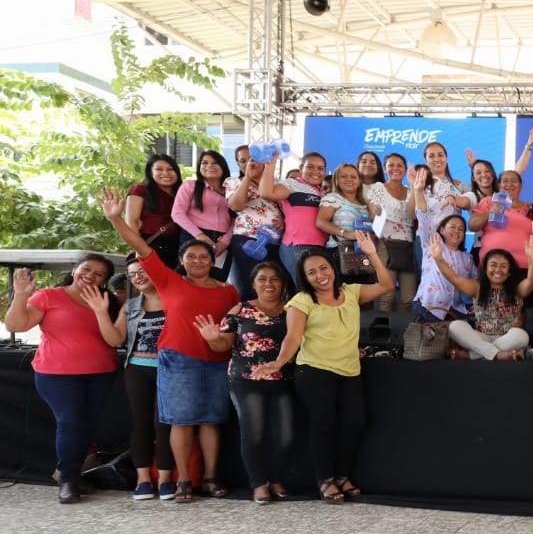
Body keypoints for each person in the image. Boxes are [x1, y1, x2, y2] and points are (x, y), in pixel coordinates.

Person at [103, 189, 241, 504]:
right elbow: (137, 244)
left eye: (203, 256)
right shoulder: (169, 281)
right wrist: (115, 217)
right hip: (178, 361)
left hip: (217, 359)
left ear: (212, 259)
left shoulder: (229, 291)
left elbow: (232, 326)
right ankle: (183, 481)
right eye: (191, 256)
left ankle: (210, 478)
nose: (197, 260)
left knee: (211, 421)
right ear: (181, 260)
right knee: (180, 421)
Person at [250, 233, 394, 503]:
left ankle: (341, 475)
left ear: (333, 268)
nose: (320, 275)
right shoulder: (302, 301)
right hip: (314, 371)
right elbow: (292, 338)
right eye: (312, 272)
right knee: (324, 423)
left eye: (323, 268)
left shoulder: (350, 292)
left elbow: (387, 285)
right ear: (305, 278)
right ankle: (325, 480)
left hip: (350, 370)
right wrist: (279, 362)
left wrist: (371, 253)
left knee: (354, 422)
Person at [5, 256, 122, 503]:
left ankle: (70, 472)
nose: (91, 275)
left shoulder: (108, 301)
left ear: (105, 280)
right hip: (56, 374)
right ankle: (68, 480)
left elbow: (116, 337)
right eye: (86, 268)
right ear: (74, 270)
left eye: (99, 273)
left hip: (101, 372)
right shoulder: (49, 296)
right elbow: (17, 324)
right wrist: (21, 294)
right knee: (70, 422)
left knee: (86, 426)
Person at [194, 261, 294, 505]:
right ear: (253, 284)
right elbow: (223, 345)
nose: (268, 283)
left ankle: (277, 479)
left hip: (284, 378)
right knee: (254, 433)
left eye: (274, 279)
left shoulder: (293, 309)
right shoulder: (240, 310)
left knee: (286, 434)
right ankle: (258, 484)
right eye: (262, 279)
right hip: (246, 380)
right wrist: (211, 339)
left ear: (282, 283)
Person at [115, 257, 176, 501]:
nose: (138, 277)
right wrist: (100, 312)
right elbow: (115, 338)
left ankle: (165, 479)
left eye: (143, 271)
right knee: (141, 423)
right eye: (132, 274)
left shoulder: (175, 300)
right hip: (137, 368)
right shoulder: (129, 306)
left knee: (164, 424)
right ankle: (142, 479)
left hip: (170, 369)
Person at [435, 225, 533, 361]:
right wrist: (439, 259)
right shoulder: (477, 286)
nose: (498, 270)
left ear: (509, 271)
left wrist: (532, 260)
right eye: (493, 265)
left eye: (503, 266)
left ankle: (472, 355)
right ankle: (498, 355)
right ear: (485, 269)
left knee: (521, 336)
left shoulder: (517, 288)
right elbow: (454, 278)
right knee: (454, 327)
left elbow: (531, 281)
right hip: (481, 336)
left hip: (507, 338)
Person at [259, 152, 329, 288]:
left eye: (320, 168)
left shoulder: (322, 192)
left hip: (321, 247)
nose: (315, 171)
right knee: (305, 291)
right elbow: (266, 193)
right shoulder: (292, 184)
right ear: (301, 168)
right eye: (310, 167)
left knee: (317, 290)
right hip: (297, 246)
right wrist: (270, 164)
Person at [225, 156, 285, 299]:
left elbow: (288, 211)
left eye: (255, 159)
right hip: (247, 238)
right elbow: (236, 206)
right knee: (251, 282)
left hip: (275, 241)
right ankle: (251, 317)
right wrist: (247, 177)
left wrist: (284, 223)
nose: (250, 163)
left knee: (275, 283)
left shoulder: (277, 184)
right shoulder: (233, 182)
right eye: (243, 161)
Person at [364, 153, 416, 311]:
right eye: (391, 165)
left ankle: (405, 335)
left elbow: (413, 215)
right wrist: (372, 209)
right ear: (385, 169)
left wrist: (414, 187)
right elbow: (372, 214)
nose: (395, 168)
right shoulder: (377, 188)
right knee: (387, 296)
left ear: (405, 169)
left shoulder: (411, 190)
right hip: (385, 245)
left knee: (408, 298)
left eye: (400, 165)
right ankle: (384, 334)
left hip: (408, 247)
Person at [172, 150, 234, 281]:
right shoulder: (190, 185)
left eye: (215, 162)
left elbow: (239, 219)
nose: (209, 166)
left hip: (222, 241)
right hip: (193, 236)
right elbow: (177, 213)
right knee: (187, 280)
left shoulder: (234, 190)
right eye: (204, 163)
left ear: (223, 166)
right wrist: (200, 236)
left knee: (217, 280)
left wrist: (225, 241)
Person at [469, 170, 533, 276]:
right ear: (499, 185)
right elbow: (472, 225)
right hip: (492, 265)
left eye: (513, 181)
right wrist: (489, 213)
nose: (509, 184)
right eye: (505, 181)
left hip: (523, 266)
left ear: (520, 186)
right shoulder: (489, 201)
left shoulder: (531, 208)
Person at [413, 215, 476, 323]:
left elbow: (476, 282)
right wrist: (418, 196)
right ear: (442, 230)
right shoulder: (431, 245)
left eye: (461, 229)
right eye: (452, 227)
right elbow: (423, 217)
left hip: (456, 311)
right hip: (428, 308)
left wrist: (475, 303)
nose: (457, 231)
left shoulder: (468, 258)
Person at [126, 154, 183, 269]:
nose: (165, 173)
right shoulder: (140, 190)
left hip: (180, 245)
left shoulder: (183, 190)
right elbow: (131, 221)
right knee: (153, 283)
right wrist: (139, 248)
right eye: (159, 169)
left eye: (170, 169)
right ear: (150, 172)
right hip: (153, 244)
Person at [316, 163, 375, 254]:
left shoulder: (365, 204)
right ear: (337, 180)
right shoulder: (332, 198)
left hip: (363, 252)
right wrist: (345, 233)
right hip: (339, 250)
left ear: (359, 182)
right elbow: (321, 222)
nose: (349, 179)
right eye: (343, 176)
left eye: (353, 177)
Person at [416, 141, 470, 233]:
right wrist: (417, 190)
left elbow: (479, 195)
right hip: (429, 239)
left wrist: (473, 166)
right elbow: (418, 214)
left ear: (446, 158)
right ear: (426, 160)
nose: (436, 159)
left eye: (440, 155)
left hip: (453, 238)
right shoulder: (421, 184)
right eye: (431, 156)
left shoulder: (458, 185)